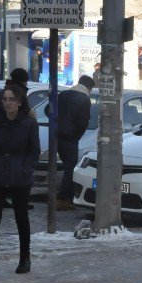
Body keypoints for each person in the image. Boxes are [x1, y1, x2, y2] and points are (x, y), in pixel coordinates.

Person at [0, 84, 40, 276]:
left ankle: (25, 258)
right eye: (4, 99)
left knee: (21, 218)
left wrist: (26, 168)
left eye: (11, 99)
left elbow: (34, 151)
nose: (7, 103)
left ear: (20, 102)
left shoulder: (29, 123)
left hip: (20, 177)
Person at [56, 75, 95, 210]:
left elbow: (48, 109)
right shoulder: (84, 99)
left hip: (56, 134)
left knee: (65, 165)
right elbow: (83, 122)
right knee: (71, 167)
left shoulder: (63, 94)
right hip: (70, 136)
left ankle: (62, 196)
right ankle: (63, 198)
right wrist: (76, 136)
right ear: (89, 88)